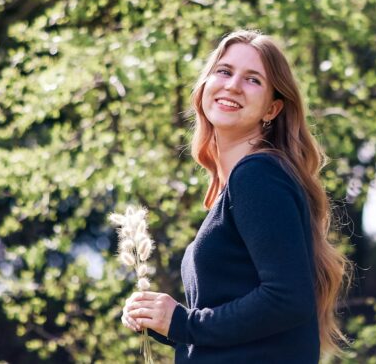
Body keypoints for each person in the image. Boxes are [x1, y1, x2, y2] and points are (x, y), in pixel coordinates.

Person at [121, 30, 350, 362]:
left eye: (253, 79)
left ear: (272, 108)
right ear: (205, 86)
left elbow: (287, 299)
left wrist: (184, 322)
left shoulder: (258, 176)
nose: (232, 85)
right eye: (224, 71)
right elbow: (245, 330)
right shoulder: (246, 182)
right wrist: (165, 323)